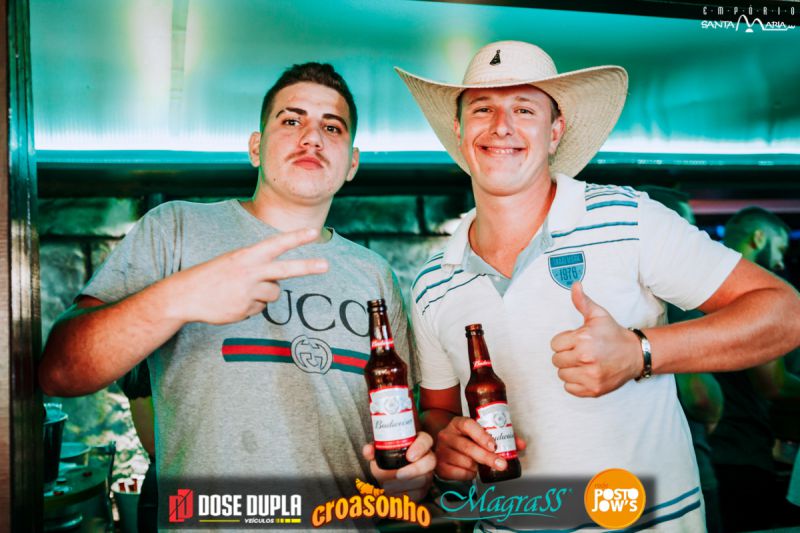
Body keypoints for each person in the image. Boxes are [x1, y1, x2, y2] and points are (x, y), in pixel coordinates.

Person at [395, 40, 800, 530]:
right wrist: (447, 445)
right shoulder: (432, 283)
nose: (501, 125)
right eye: (483, 108)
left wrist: (639, 353)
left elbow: (785, 313)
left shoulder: (629, 218)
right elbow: (439, 410)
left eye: (524, 109)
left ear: (555, 131)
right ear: (460, 131)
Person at [39, 62, 435, 526]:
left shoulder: (375, 275)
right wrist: (181, 296)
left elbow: (402, 432)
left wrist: (411, 477)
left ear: (352, 163)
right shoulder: (176, 229)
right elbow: (61, 371)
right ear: (255, 148)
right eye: (291, 120)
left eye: (332, 127)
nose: (312, 137)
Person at [638, 185, 724, 533]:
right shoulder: (676, 298)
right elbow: (700, 396)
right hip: (681, 471)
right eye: (688, 227)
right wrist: (713, 412)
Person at [710, 206, 800, 531]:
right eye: (780, 249)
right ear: (759, 238)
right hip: (741, 452)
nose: (780, 262)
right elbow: (773, 384)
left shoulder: (696, 285)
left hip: (704, 449)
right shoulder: (754, 291)